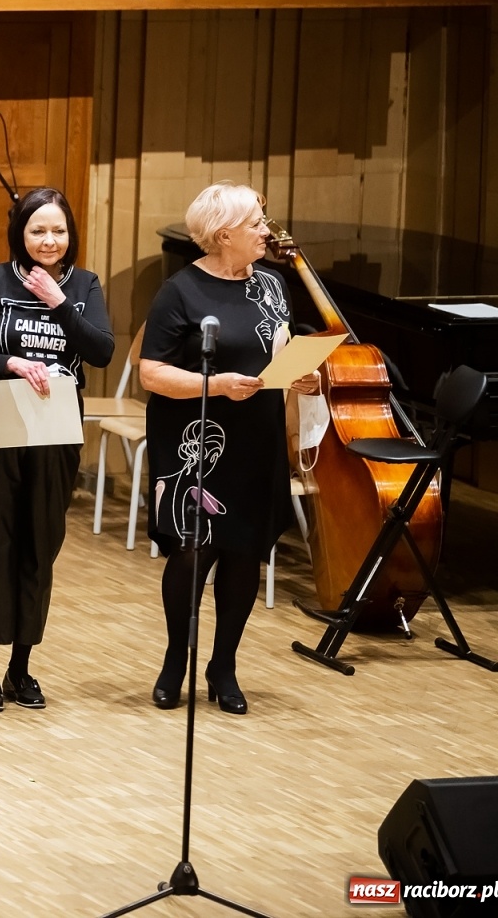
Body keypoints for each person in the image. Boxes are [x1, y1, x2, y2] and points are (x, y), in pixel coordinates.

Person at [140, 181, 319, 716]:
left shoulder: (272, 285)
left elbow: (278, 355)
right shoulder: (181, 291)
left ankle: (224, 666)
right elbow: (151, 372)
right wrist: (216, 385)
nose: (266, 231)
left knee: (244, 551)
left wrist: (298, 379)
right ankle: (177, 660)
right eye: (256, 224)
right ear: (224, 235)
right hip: (196, 440)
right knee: (193, 551)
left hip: (257, 435)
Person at [0, 188, 114, 712]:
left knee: (37, 545)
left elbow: (101, 350)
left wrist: (58, 302)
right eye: (38, 231)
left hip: (54, 432)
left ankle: (20, 668)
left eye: (59, 231)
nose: (49, 241)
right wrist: (9, 364)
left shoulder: (84, 285)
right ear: (19, 234)